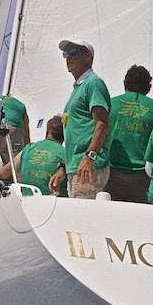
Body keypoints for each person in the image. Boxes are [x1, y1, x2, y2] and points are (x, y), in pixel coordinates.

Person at [48, 38, 111, 199]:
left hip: (87, 167)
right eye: (65, 54)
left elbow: (102, 124)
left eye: (74, 52)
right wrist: (63, 167)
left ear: (88, 56)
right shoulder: (79, 88)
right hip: (77, 166)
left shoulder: (93, 83)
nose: (68, 57)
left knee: (82, 222)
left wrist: (89, 158)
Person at [107, 65, 153, 202]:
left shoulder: (109, 105)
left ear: (125, 82)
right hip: (144, 180)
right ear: (148, 87)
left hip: (111, 175)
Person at [0, 115, 68, 196]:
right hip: (55, 203)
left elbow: (3, 173)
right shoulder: (65, 153)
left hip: (26, 202)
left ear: (47, 131)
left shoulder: (29, 148)